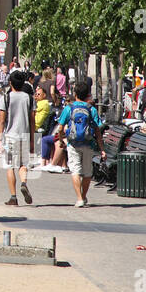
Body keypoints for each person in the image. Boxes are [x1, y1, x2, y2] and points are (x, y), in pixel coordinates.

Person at [54, 78, 105, 207]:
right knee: (87, 172)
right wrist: (102, 148)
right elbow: (98, 130)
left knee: (75, 170)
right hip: (89, 144)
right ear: (88, 95)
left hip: (73, 144)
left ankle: (79, 198)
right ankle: (84, 196)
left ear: (75, 94)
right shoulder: (91, 109)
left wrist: (61, 140)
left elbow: (60, 127)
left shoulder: (69, 108)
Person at [0, 70, 35, 207]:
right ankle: (24, 183)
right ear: (23, 83)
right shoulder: (29, 98)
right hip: (25, 135)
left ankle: (13, 197)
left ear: (10, 83)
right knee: (23, 164)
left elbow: (2, 121)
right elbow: (32, 120)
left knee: (10, 166)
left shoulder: (5, 97)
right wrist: (33, 139)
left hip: (10, 136)